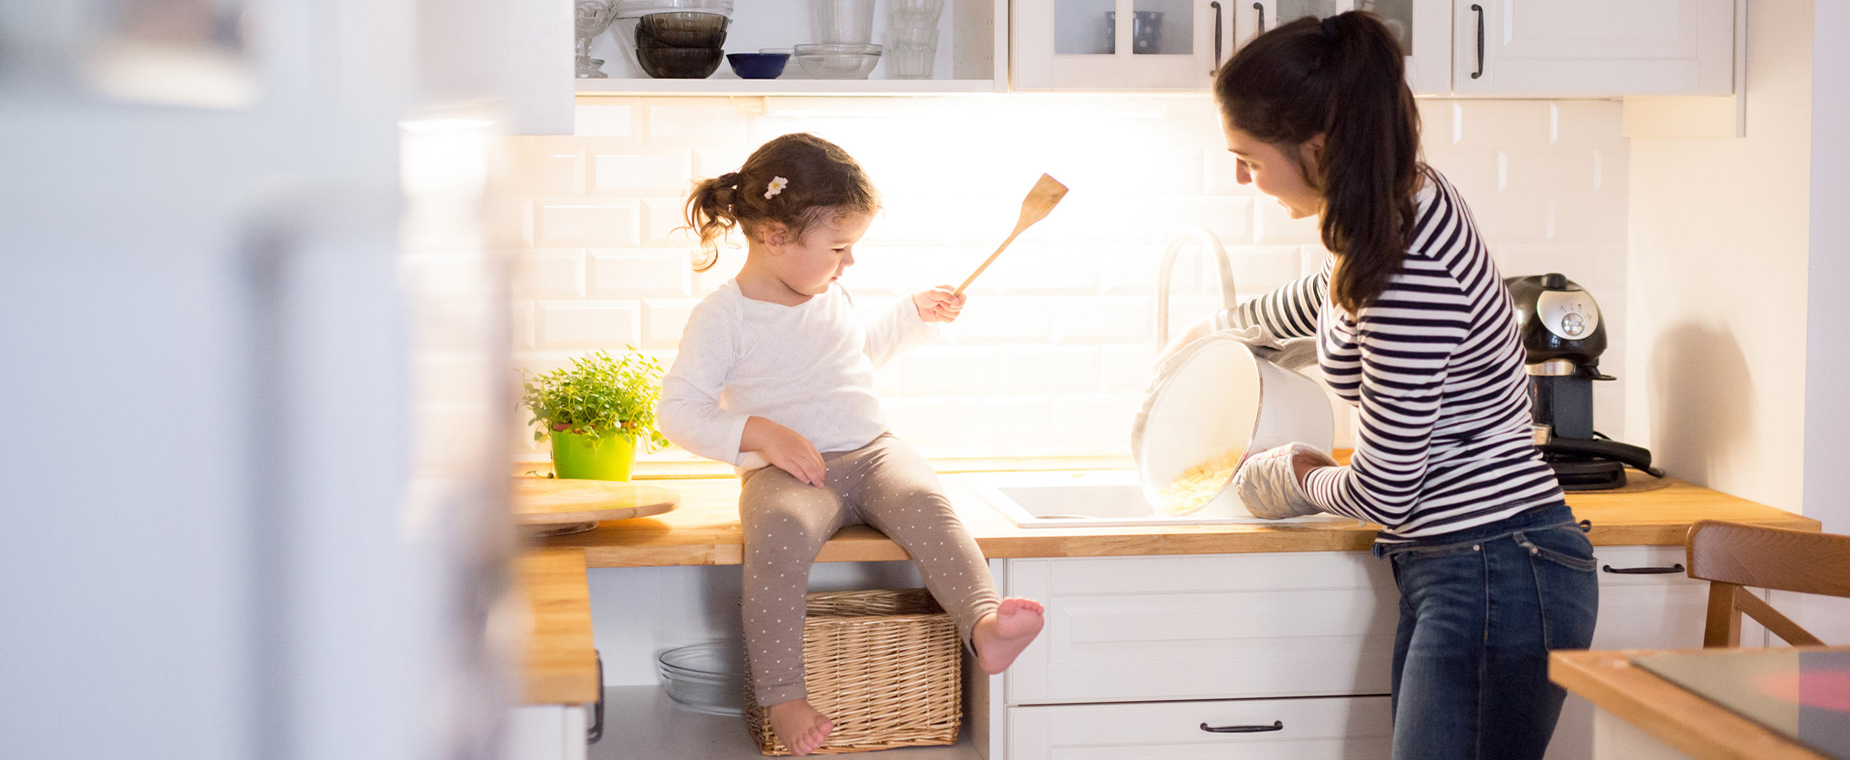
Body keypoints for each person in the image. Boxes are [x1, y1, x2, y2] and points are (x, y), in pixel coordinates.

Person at [1195, 12, 1599, 760]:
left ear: (1315, 147)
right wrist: (1219, 332)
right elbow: (1331, 290)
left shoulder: (1410, 271)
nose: (1241, 178)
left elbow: (1386, 493)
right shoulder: (1394, 204)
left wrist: (1289, 474)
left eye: (1247, 159)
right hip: (1476, 566)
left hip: (1495, 570)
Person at [656, 133, 1045, 757]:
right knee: (777, 538)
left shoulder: (827, 289)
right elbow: (677, 411)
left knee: (928, 500)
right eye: (840, 248)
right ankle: (782, 696)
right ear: (775, 236)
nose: (849, 263)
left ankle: (985, 624)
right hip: (786, 474)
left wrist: (912, 316)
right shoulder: (724, 317)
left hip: (871, 451)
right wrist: (759, 433)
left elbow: (852, 357)